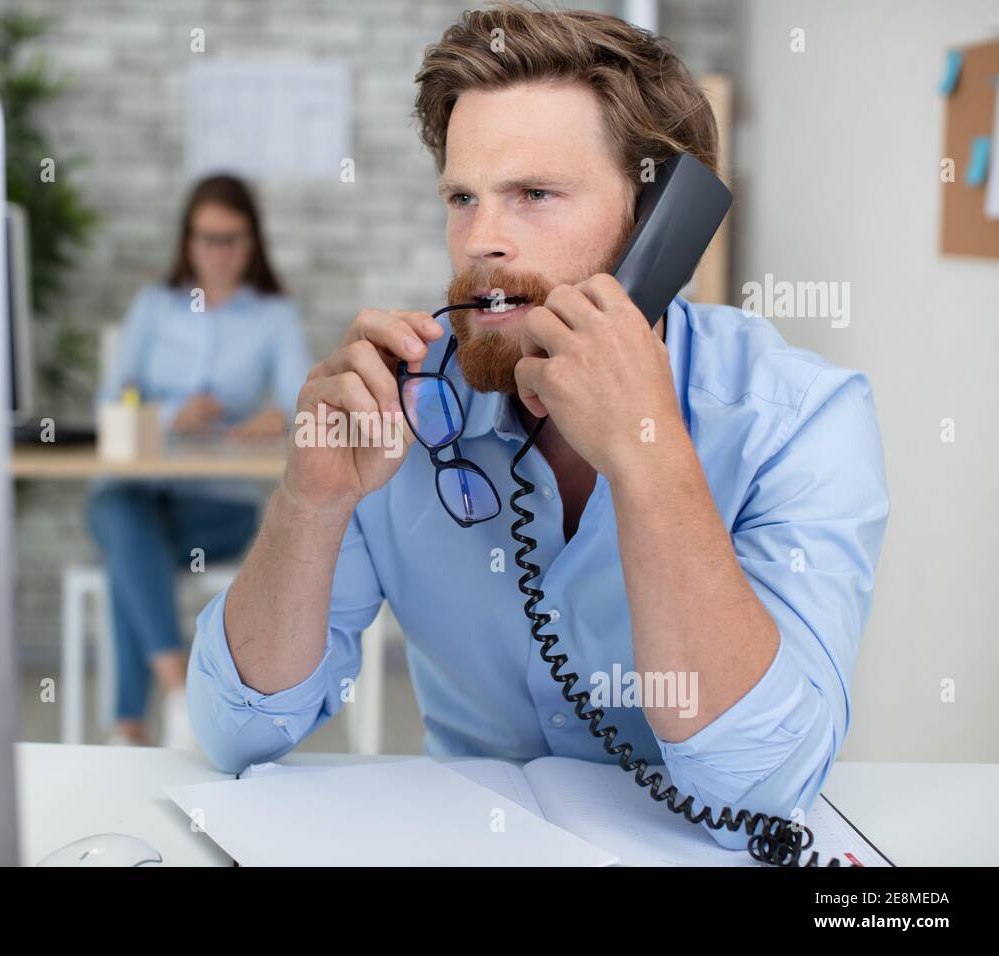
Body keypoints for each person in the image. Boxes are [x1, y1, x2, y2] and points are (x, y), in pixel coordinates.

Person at [186, 4, 889, 852]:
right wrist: (310, 501)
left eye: (536, 195)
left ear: (662, 222)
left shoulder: (801, 420)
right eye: (462, 198)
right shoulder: (403, 405)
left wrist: (644, 451)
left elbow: (759, 781)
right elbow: (238, 734)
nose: (481, 239)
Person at [88, 174, 311, 747]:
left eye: (232, 239)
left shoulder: (272, 314)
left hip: (219, 504)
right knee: (121, 510)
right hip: (139, 489)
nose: (219, 253)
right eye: (207, 239)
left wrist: (278, 416)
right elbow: (110, 403)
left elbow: (300, 398)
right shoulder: (153, 307)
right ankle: (175, 690)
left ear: (252, 243)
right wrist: (167, 416)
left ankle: (130, 725)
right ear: (188, 241)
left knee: (130, 545)